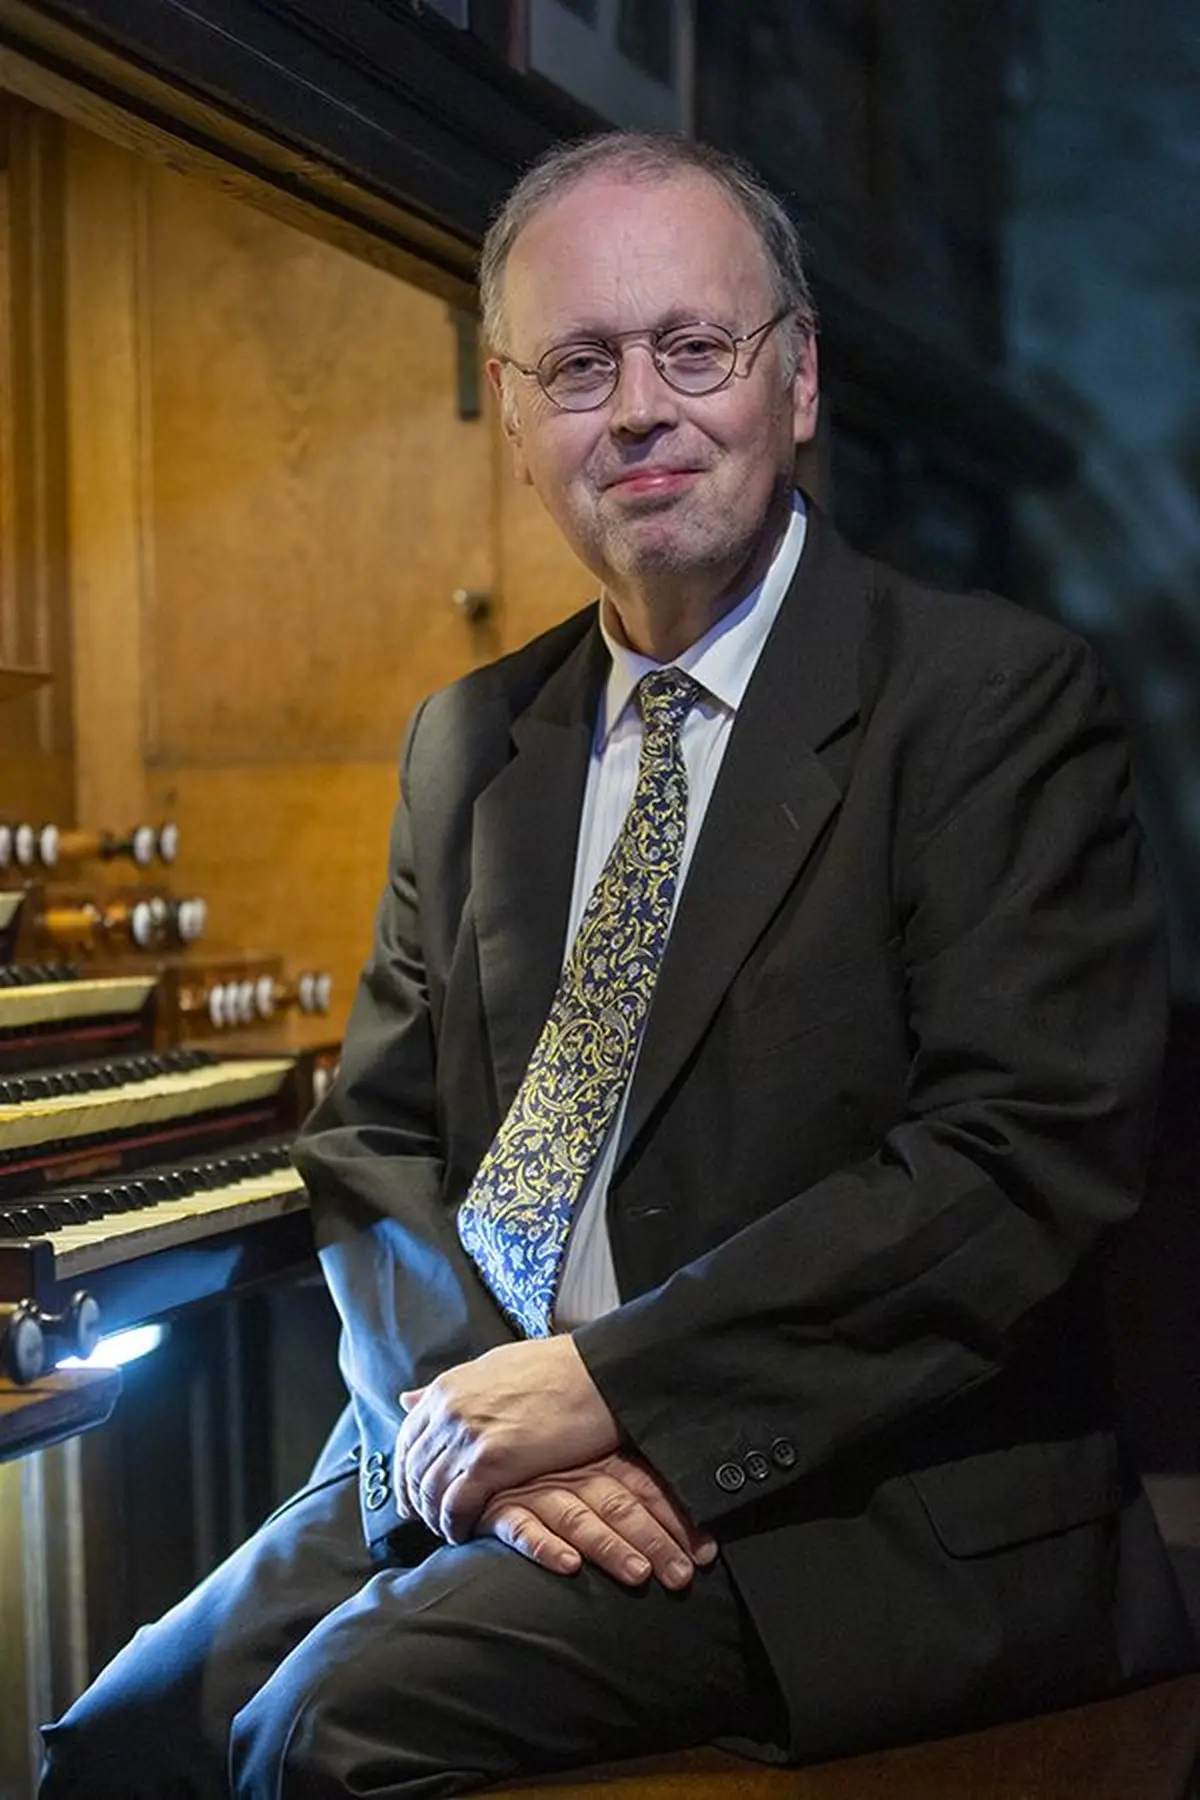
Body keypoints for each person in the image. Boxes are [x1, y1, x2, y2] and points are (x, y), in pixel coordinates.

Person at [39, 129, 1195, 1800]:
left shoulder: (989, 702)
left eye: (693, 348)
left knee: (324, 1735)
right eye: (580, 366)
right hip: (493, 1424)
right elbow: (374, 1143)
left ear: (798, 379)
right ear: (514, 424)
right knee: (115, 1748)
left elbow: (1017, 1164)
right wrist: (477, 1422)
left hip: (849, 1488)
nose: (640, 408)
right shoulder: (471, 740)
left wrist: (607, 1391)